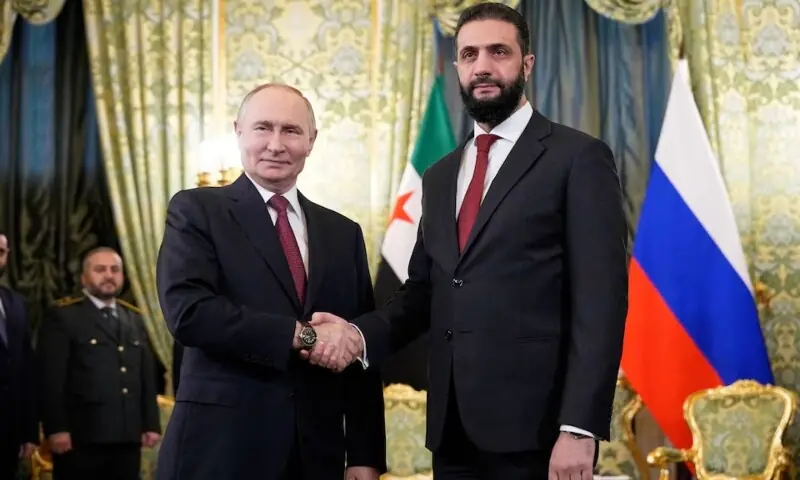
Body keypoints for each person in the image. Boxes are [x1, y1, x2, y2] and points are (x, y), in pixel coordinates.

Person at [306, 3, 628, 479]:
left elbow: (600, 303)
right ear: (457, 65)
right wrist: (356, 335)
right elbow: (423, 294)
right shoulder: (438, 177)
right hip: (452, 434)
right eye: (469, 54)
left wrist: (579, 427)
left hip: (539, 436)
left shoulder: (578, 159)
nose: (483, 66)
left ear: (527, 63)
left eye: (499, 52)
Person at [155, 83, 386, 480]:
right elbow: (189, 313)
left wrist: (365, 455)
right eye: (263, 128)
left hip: (315, 456)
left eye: (291, 131)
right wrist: (302, 336)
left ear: (311, 141)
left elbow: (358, 343)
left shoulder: (343, 233)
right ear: (239, 132)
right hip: (219, 451)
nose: (275, 144)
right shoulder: (197, 210)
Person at [38, 247, 161, 480]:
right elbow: (51, 379)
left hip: (127, 435)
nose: (109, 275)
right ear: (84, 277)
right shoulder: (64, 316)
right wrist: (56, 428)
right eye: (100, 269)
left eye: (115, 270)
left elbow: (145, 376)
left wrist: (151, 424)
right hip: (81, 437)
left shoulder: (133, 318)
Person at [0, 230, 38, 477]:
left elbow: (26, 370)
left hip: (8, 436)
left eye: (1, 252)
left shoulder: (15, 302)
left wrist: (28, 431)